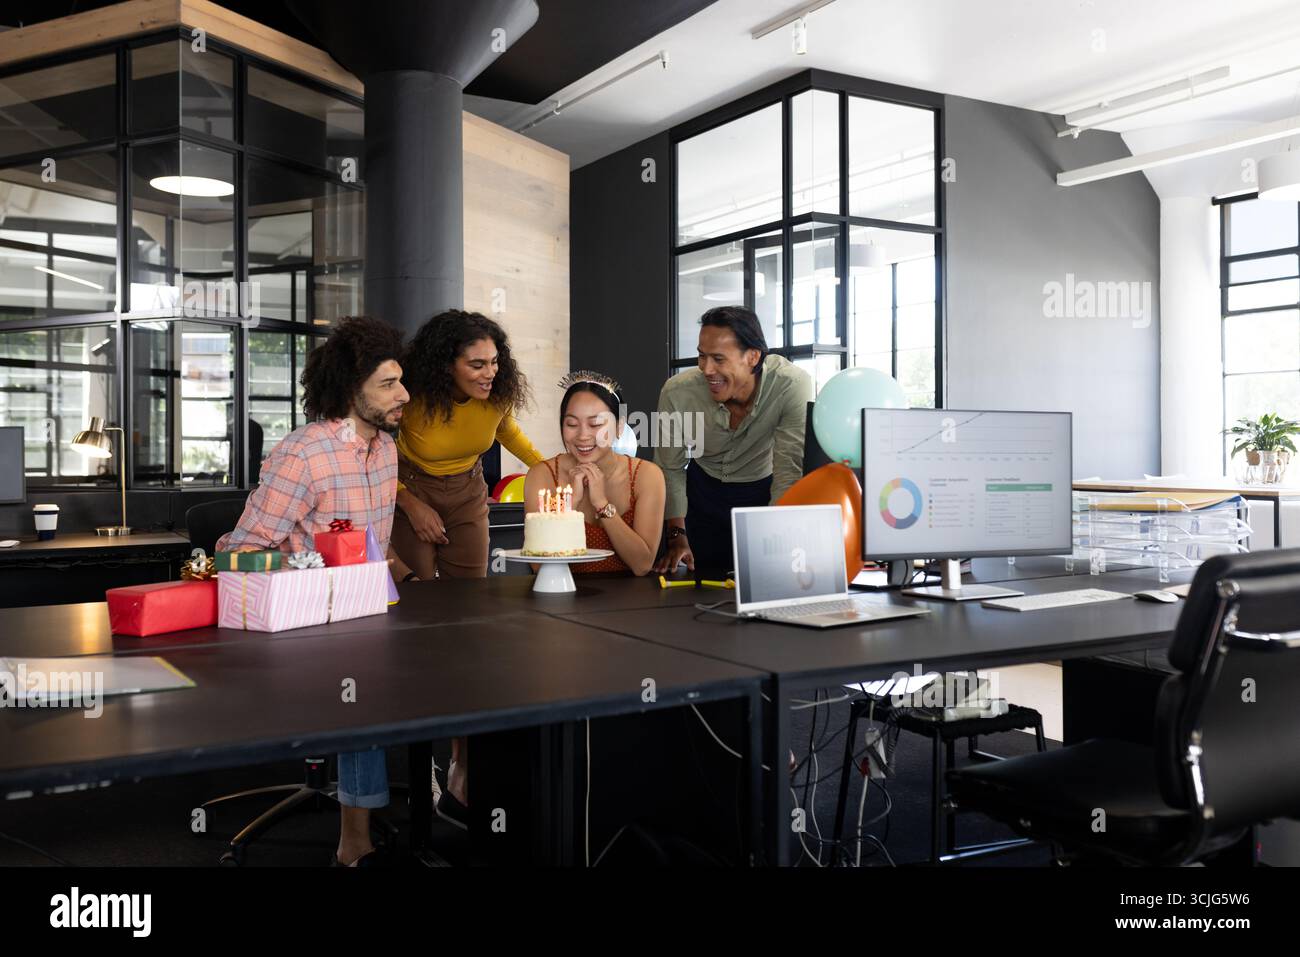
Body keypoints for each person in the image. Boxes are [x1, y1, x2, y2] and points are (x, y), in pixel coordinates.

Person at [216, 315, 411, 867]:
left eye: (401, 380)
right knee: (361, 685)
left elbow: (371, 545)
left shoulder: (386, 452)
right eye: (389, 385)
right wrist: (313, 564)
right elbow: (236, 552)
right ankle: (354, 845)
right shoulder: (304, 453)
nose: (405, 395)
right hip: (304, 624)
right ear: (353, 391)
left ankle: (441, 801)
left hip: (365, 611)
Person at [389, 309, 544, 825]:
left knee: (468, 629)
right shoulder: (412, 399)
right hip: (410, 490)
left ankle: (461, 763)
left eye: (494, 362)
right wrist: (411, 505)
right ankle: (409, 759)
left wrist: (555, 468)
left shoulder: (494, 398)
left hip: (468, 493)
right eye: (476, 364)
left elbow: (513, 438)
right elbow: (374, 457)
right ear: (444, 365)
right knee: (419, 624)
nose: (489, 373)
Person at [653, 305, 813, 575]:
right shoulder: (678, 392)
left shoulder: (791, 385)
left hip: (761, 493)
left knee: (763, 579)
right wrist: (676, 535)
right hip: (700, 494)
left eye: (718, 358)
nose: (706, 369)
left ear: (752, 357)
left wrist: (777, 539)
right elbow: (670, 468)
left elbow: (788, 472)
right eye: (702, 356)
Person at [523, 372, 665, 576]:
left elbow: (642, 565)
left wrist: (602, 505)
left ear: (619, 427)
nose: (583, 436)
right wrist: (569, 504)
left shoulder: (647, 476)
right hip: (561, 597)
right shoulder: (542, 475)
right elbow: (538, 566)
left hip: (630, 601)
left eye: (596, 424)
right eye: (572, 424)